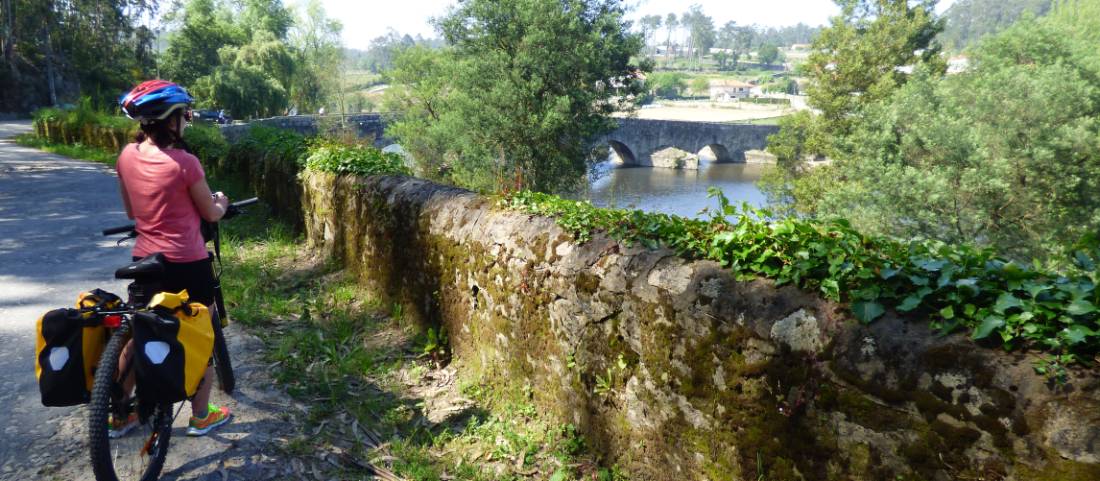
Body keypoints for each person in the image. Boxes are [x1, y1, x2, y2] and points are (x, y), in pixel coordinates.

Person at [112, 79, 232, 437]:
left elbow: (133, 211)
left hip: (147, 262)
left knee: (138, 334)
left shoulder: (126, 156)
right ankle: (201, 415)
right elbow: (209, 213)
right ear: (171, 120)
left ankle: (119, 414)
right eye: (184, 115)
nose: (186, 120)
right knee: (200, 332)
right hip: (188, 263)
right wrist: (222, 201)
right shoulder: (185, 163)